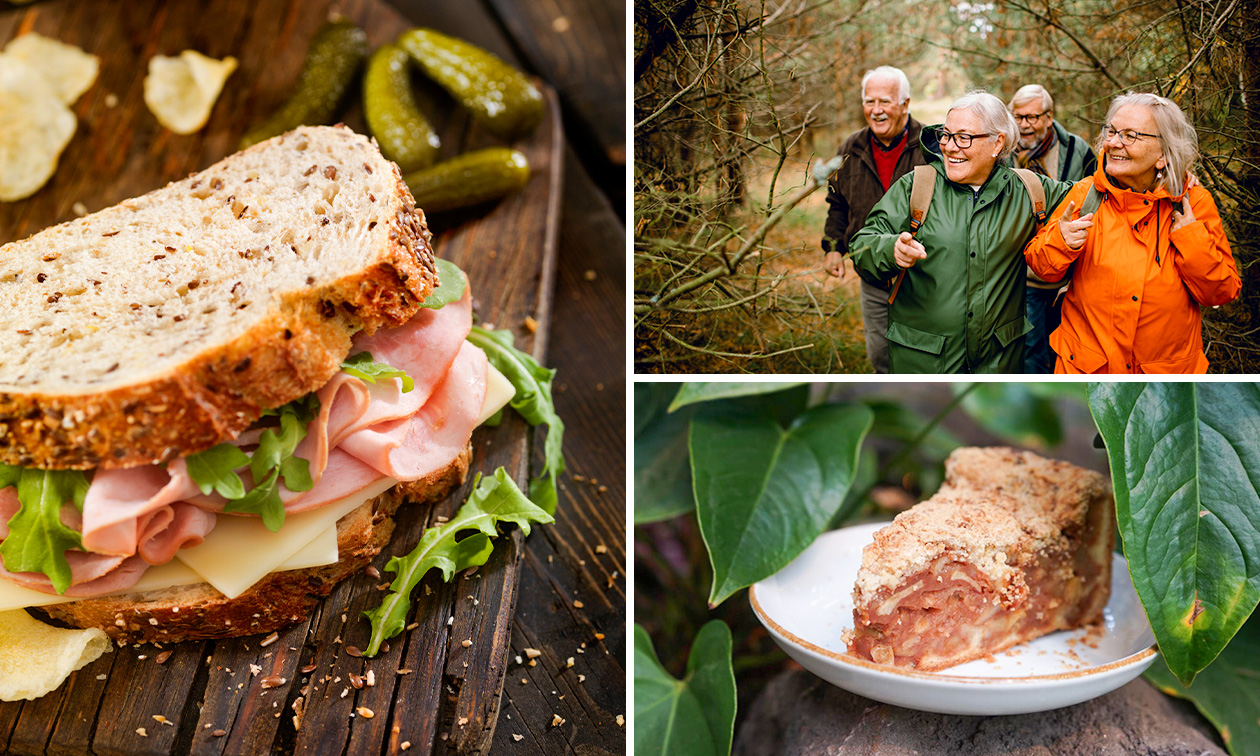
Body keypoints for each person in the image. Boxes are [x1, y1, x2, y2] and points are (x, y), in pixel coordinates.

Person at [850, 91, 1072, 373]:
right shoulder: (917, 186)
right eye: (946, 135)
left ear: (997, 142)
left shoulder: (1028, 191)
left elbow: (1094, 197)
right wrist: (890, 249)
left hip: (998, 363)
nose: (950, 147)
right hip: (924, 362)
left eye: (963, 137)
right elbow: (861, 245)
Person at [1024, 92, 1240, 373]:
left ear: (1163, 155)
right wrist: (1061, 241)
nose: (1113, 143)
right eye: (1112, 132)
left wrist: (1191, 238)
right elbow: (1040, 266)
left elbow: (1221, 292)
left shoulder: (1193, 204)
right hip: (1087, 373)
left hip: (1162, 384)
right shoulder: (1086, 194)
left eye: (1130, 135)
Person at [821, 66, 928, 373]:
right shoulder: (850, 149)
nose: (876, 111)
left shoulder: (930, 147)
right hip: (872, 272)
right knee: (880, 355)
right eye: (870, 102)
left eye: (885, 102)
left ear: (905, 104)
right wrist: (833, 248)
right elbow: (837, 203)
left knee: (921, 358)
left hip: (920, 276)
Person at [1008, 84, 1098, 373]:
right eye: (1018, 117)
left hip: (1070, 272)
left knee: (1066, 346)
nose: (1024, 125)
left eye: (1032, 118)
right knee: (1031, 346)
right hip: (1023, 272)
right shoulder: (1003, 150)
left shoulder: (1075, 149)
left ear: (1048, 117)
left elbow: (1101, 190)